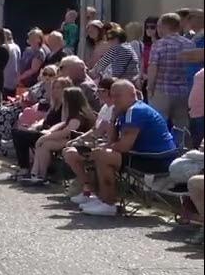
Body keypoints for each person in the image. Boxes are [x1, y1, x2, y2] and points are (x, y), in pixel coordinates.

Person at [63, 79, 180, 216]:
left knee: (102, 155)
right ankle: (98, 197)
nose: (114, 99)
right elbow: (113, 141)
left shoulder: (136, 111)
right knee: (96, 153)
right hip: (140, 155)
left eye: (118, 95)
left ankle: (108, 203)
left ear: (132, 95)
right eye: (112, 95)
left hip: (156, 160)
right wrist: (113, 119)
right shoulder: (123, 112)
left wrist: (100, 150)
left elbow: (124, 146)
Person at [147, 12, 195, 129]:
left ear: (163, 27)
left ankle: (160, 147)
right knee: (182, 126)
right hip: (183, 91)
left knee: (158, 125)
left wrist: (150, 88)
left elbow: (153, 67)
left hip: (161, 90)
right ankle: (184, 146)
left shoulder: (158, 45)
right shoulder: (190, 44)